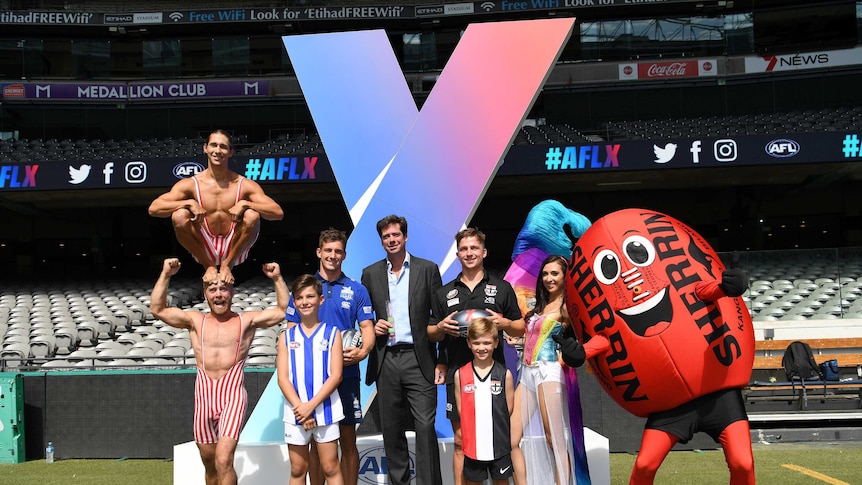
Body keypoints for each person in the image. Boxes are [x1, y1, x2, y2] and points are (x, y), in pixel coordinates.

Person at [150, 257, 289, 485]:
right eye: (213, 289)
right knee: (209, 460)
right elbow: (157, 308)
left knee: (224, 459)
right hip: (204, 397)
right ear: (205, 294)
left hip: (232, 395)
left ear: (232, 293)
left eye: (223, 289)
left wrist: (277, 278)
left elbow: (284, 310)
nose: (218, 294)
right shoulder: (195, 321)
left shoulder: (245, 321)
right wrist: (166, 274)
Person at [431, 227, 524, 485]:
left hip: (493, 374)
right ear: (458, 254)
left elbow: (520, 326)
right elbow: (430, 332)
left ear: (484, 252)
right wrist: (440, 328)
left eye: (474, 248)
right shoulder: (444, 292)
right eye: (464, 249)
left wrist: (503, 323)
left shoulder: (502, 288)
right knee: (462, 441)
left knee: (497, 441)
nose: (469, 253)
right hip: (457, 374)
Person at [285, 228, 375, 485]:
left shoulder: (356, 289)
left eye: (338, 251)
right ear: (318, 252)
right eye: (328, 250)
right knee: (314, 442)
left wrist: (363, 351)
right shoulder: (305, 288)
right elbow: (292, 333)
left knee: (348, 441)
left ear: (344, 255)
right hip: (311, 381)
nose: (332, 256)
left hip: (345, 375)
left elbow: (367, 329)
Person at [360, 214, 443, 485]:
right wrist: (374, 324)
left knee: (425, 427)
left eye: (396, 235)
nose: (392, 240)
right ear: (381, 241)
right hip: (386, 358)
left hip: (419, 359)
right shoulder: (370, 273)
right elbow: (364, 317)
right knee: (392, 431)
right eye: (386, 237)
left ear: (405, 237)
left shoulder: (427, 269)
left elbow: (437, 316)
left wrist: (439, 358)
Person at [148, 129, 284, 285]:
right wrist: (188, 203)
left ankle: (227, 265)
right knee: (179, 215)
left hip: (235, 245)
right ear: (205, 148)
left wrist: (246, 203)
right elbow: (154, 208)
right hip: (203, 246)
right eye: (213, 145)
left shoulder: (244, 184)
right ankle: (209, 266)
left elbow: (277, 212)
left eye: (223, 146)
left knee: (252, 214)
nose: (217, 150)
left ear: (231, 152)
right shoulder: (192, 184)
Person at [513, 255, 582, 485]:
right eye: (545, 274)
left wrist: (571, 352)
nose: (549, 278)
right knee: (511, 438)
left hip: (549, 371)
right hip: (527, 371)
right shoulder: (541, 306)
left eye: (555, 273)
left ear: (565, 276)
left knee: (554, 438)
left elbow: (585, 332)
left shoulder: (567, 307)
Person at [278, 274, 345, 485]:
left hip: (326, 410)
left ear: (321, 299)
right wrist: (301, 408)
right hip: (295, 411)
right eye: (299, 298)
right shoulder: (286, 337)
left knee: (330, 467)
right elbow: (282, 378)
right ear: (294, 302)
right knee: (298, 469)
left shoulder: (333, 334)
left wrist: (311, 406)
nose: (305, 302)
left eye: (310, 296)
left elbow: (336, 375)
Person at [454, 317, 515, 485]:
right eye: (477, 343)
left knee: (502, 482)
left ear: (496, 343)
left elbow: (507, 409)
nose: (482, 348)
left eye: (487, 343)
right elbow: (461, 411)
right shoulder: (461, 374)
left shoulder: (505, 375)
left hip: (499, 445)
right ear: (469, 343)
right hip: (473, 446)